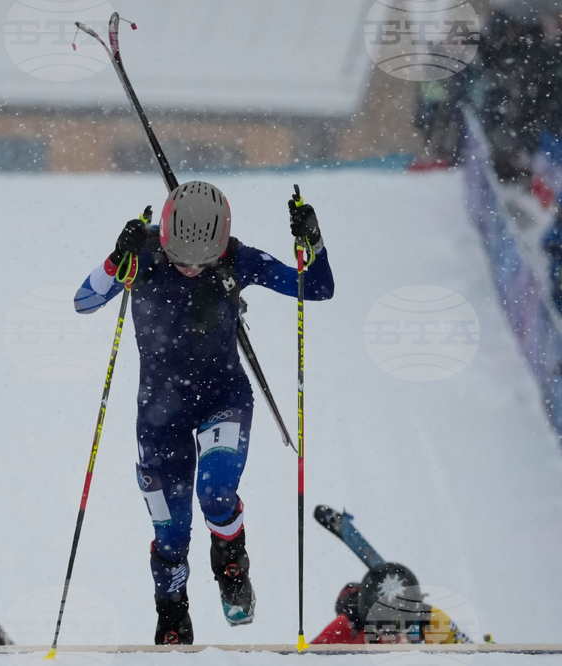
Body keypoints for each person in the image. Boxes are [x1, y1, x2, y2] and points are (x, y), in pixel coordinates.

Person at [73, 181, 334, 644]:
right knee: (171, 531)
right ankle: (172, 611)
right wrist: (117, 259)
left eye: (203, 261)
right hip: (159, 414)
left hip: (223, 399)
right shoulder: (144, 252)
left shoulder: (236, 258)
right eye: (182, 260)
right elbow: (85, 301)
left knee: (215, 491)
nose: (192, 270)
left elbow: (317, 287)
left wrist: (310, 240)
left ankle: (231, 562)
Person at [312, 562, 478, 645]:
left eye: (400, 629)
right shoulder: (347, 627)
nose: (392, 638)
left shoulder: (432, 621)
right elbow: (305, 660)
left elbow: (475, 657)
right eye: (382, 630)